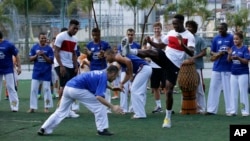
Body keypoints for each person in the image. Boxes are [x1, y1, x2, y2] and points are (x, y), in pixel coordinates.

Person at [122, 14, 195, 127]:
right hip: (166, 58)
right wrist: (151, 43)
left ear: (182, 22)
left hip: (174, 66)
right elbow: (161, 45)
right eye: (173, 23)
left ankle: (167, 118)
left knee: (169, 91)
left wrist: (182, 45)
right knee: (153, 51)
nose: (174, 26)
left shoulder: (189, 36)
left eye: (176, 24)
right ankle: (129, 51)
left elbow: (191, 53)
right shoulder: (171, 33)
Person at [37, 65, 123, 136]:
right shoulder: (103, 77)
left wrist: (111, 88)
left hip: (68, 87)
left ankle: (44, 128)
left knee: (60, 112)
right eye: (116, 76)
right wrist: (112, 107)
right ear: (112, 73)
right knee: (99, 105)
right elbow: (98, 97)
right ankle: (102, 130)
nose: (115, 78)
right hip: (77, 89)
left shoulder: (100, 73)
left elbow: (95, 81)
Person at [105, 47, 152, 119]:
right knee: (137, 90)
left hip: (144, 69)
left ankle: (140, 114)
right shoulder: (119, 59)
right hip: (145, 69)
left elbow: (129, 61)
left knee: (134, 90)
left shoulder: (117, 56)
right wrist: (122, 83)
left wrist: (131, 75)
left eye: (106, 57)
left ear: (111, 54)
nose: (106, 59)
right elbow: (127, 72)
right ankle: (140, 113)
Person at [206, 23, 234, 116]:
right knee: (213, 88)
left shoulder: (231, 38)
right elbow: (212, 52)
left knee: (228, 89)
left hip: (228, 67)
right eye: (219, 29)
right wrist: (218, 54)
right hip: (217, 67)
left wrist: (228, 53)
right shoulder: (216, 38)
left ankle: (230, 110)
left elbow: (234, 50)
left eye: (222, 29)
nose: (220, 30)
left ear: (226, 29)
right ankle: (211, 110)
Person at [54, 20, 80, 118]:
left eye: (77, 29)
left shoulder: (75, 39)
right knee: (64, 86)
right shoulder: (60, 36)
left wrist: (76, 66)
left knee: (70, 88)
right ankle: (60, 110)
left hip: (70, 65)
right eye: (74, 28)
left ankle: (67, 109)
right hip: (60, 64)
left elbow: (74, 54)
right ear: (69, 26)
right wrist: (61, 66)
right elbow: (56, 52)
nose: (75, 30)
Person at [143, 22, 167, 113]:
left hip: (164, 66)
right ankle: (158, 106)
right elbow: (147, 50)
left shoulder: (164, 38)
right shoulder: (151, 38)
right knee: (155, 87)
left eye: (158, 28)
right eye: (155, 28)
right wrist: (145, 44)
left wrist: (159, 42)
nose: (157, 30)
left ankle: (169, 106)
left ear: (161, 29)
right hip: (153, 66)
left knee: (166, 87)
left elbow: (165, 49)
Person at [86, 27, 112, 112]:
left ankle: (107, 107)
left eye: (96, 35)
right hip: (93, 69)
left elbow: (109, 55)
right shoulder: (89, 45)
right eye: (93, 35)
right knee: (94, 88)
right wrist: (89, 54)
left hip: (103, 68)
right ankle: (96, 107)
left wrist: (103, 54)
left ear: (99, 35)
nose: (95, 37)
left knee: (105, 87)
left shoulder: (105, 44)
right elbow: (89, 59)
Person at [27, 32, 54, 113]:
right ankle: (32, 107)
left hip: (46, 72)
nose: (43, 39)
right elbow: (30, 59)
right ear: (39, 38)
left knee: (46, 89)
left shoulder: (49, 49)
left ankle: (47, 107)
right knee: (33, 90)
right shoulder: (34, 47)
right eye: (42, 38)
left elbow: (51, 61)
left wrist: (44, 55)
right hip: (36, 72)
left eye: (45, 38)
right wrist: (36, 55)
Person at [185, 20, 207, 114]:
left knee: (199, 87)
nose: (188, 28)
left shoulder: (199, 39)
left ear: (195, 29)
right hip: (186, 67)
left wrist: (195, 57)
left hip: (197, 66)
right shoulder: (184, 39)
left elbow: (204, 52)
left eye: (190, 27)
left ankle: (202, 107)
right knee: (185, 87)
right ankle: (187, 107)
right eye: (187, 26)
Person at [118, 28, 141, 113]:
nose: (130, 36)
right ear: (126, 35)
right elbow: (121, 57)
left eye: (132, 35)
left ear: (134, 35)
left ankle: (132, 108)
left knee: (133, 89)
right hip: (125, 70)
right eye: (129, 34)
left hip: (135, 71)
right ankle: (123, 108)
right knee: (124, 89)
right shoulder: (122, 44)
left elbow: (139, 57)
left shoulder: (137, 45)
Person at [227, 31, 249, 116]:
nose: (235, 41)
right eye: (234, 39)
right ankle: (233, 111)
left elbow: (246, 61)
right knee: (233, 93)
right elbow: (228, 61)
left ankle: (244, 111)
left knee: (243, 92)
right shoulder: (233, 48)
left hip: (243, 74)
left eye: (237, 39)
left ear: (241, 39)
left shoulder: (244, 49)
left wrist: (238, 58)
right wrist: (229, 54)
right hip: (233, 74)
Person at [0, 30, 21, 111]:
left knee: (10, 87)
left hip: (8, 69)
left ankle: (14, 106)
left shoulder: (8, 44)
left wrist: (19, 67)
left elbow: (17, 55)